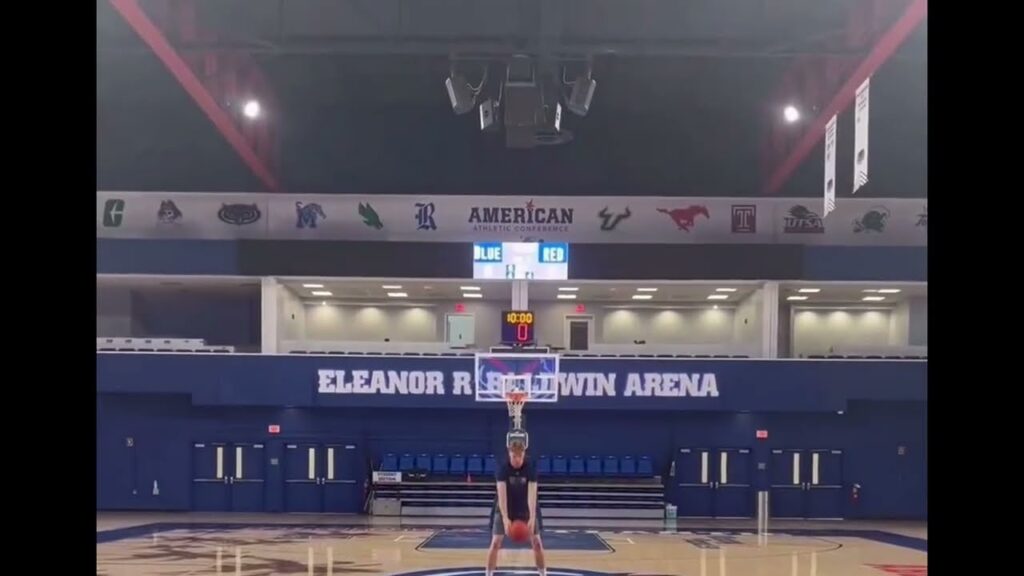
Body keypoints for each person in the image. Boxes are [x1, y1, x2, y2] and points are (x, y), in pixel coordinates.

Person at [486, 437, 546, 576]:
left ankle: (543, 573)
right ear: (509, 454)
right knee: (495, 543)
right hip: (505, 508)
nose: (517, 459)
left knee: (537, 543)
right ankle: (488, 574)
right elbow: (502, 497)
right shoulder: (503, 470)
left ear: (524, 454)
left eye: (520, 456)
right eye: (514, 456)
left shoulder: (530, 470)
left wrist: (531, 517)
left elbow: (532, 495)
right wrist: (506, 519)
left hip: (525, 509)